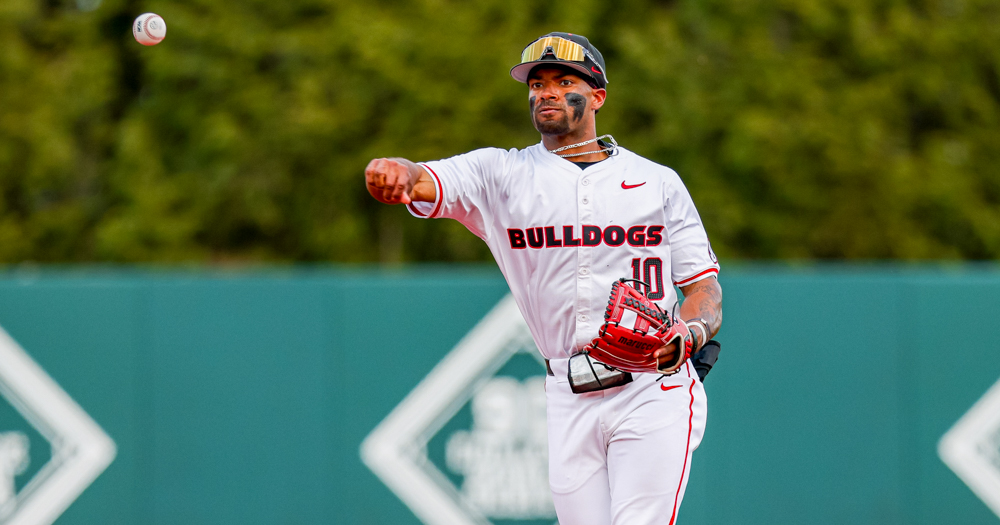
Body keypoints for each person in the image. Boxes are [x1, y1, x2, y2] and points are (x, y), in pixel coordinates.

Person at [364, 32, 723, 525]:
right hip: (568, 388)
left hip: (651, 385)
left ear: (597, 96)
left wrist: (692, 332)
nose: (545, 92)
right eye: (537, 83)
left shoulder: (657, 182)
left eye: (563, 80)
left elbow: (704, 288)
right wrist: (395, 171)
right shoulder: (499, 174)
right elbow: (423, 176)